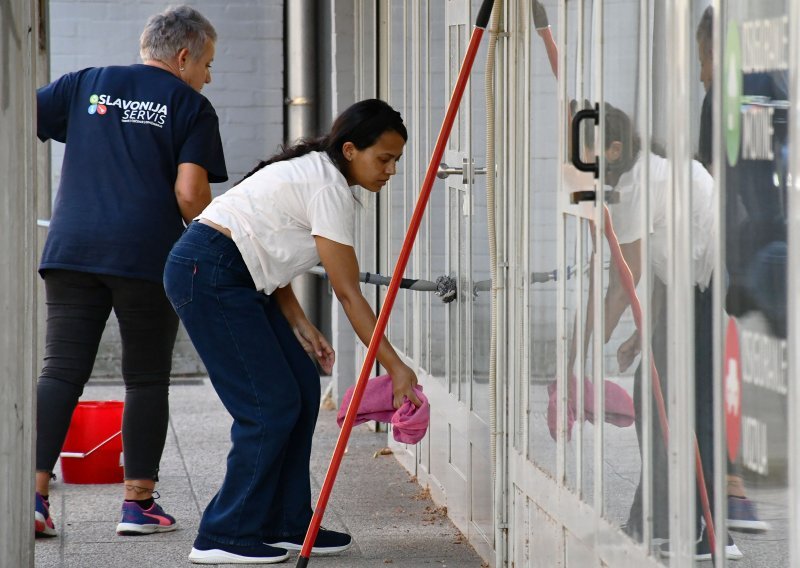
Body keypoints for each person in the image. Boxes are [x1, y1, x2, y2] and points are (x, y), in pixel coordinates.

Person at [163, 98, 421, 564]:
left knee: (301, 386)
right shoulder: (328, 188)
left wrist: (299, 323)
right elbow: (348, 294)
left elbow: (260, 244)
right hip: (209, 273)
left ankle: (286, 521)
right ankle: (226, 531)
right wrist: (395, 366)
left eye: (397, 160)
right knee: (268, 405)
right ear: (349, 150)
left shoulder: (317, 171)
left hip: (230, 273)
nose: (391, 170)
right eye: (384, 158)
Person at [34, 5, 227, 539]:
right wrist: (213, 245)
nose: (208, 75)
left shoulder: (84, 84)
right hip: (144, 256)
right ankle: (137, 504)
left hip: (71, 248)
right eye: (208, 63)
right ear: (184, 56)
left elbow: (20, 115)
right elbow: (190, 193)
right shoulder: (191, 105)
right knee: (145, 376)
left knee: (61, 370)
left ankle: (31, 495)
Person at [572, 102, 742, 560]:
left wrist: (577, 362)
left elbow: (619, 286)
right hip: (697, 290)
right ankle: (660, 523)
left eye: (583, 155)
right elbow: (665, 270)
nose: (577, 167)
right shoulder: (648, 173)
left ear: (612, 149)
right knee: (659, 401)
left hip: (711, 292)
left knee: (673, 405)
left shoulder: (637, 184)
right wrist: (640, 339)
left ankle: (707, 531)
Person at [696, 5, 773, 533]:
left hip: (733, 252)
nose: (700, 72)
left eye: (701, 59)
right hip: (768, 247)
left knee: (719, 369)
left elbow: (708, 181)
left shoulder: (721, 92)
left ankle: (732, 487)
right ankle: (735, 485)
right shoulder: (772, 86)